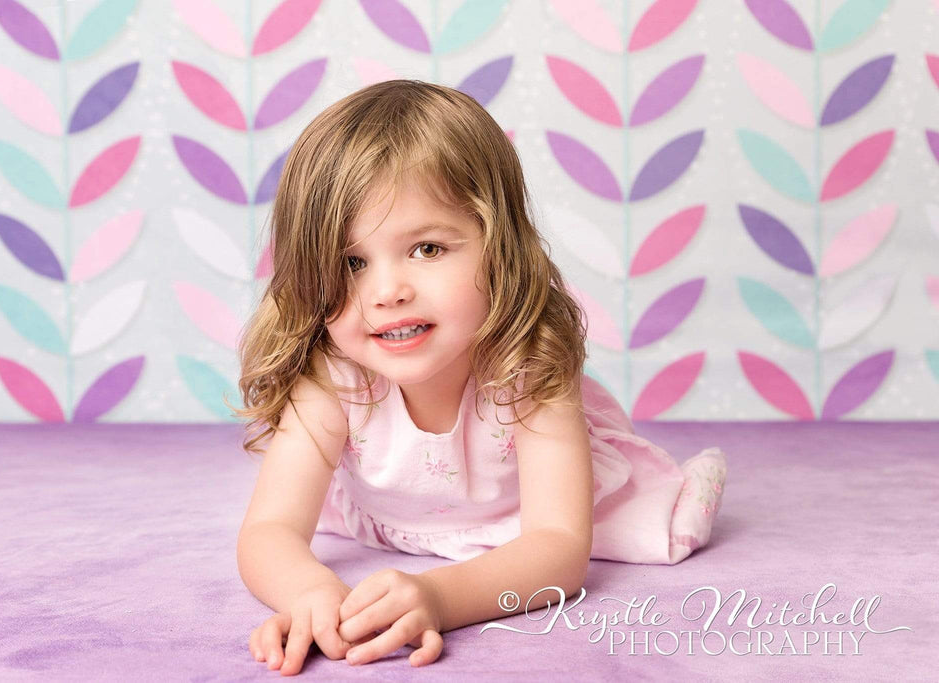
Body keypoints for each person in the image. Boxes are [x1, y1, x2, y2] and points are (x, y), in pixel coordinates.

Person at [231, 79, 727, 675]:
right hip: (393, 522)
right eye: (351, 262)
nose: (387, 292)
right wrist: (312, 594)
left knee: (646, 526)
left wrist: (440, 597)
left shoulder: (528, 368)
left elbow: (560, 549)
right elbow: (269, 530)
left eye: (427, 249)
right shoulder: (332, 380)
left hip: (525, 518)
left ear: (499, 246)